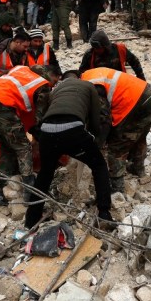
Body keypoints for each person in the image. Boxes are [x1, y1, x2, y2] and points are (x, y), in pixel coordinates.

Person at [24, 71, 114, 228]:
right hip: (73, 130)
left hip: (47, 132)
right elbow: (94, 117)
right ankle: (104, 213)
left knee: (45, 173)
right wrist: (96, 138)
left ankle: (31, 219)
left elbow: (45, 114)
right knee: (99, 166)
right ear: (78, 78)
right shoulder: (88, 85)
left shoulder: (54, 91)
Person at [0, 65, 58, 206]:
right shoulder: (43, 85)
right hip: (2, 105)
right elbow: (38, 120)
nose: (53, 86)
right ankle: (30, 193)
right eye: (55, 81)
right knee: (23, 147)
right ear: (47, 76)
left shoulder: (20, 71)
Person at [82, 67, 151, 193]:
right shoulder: (90, 74)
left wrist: (100, 143)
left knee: (117, 146)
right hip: (149, 97)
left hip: (134, 103)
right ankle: (138, 168)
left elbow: (104, 118)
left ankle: (117, 187)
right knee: (138, 136)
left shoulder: (92, 86)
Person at [78, 29, 146, 80]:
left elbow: (134, 62)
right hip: (99, 84)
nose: (96, 50)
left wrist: (141, 78)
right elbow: (82, 72)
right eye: (94, 48)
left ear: (105, 46)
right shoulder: (89, 54)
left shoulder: (119, 50)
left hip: (119, 82)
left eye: (98, 48)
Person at [0, 27, 31, 91]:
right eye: (25, 46)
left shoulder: (24, 53)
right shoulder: (0, 49)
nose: (26, 49)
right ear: (17, 42)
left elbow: (25, 69)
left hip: (15, 86)